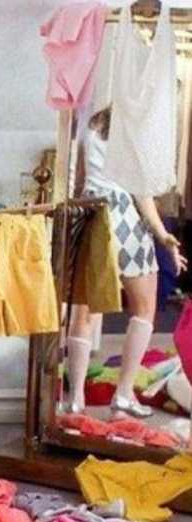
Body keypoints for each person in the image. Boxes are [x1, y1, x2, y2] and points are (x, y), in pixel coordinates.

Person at [65, 106, 187, 418]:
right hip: (123, 217)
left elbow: (79, 177)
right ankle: (122, 394)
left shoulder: (93, 123)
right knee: (144, 307)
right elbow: (141, 193)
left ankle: (75, 400)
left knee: (84, 311)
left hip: (90, 213)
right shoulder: (134, 130)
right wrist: (164, 235)